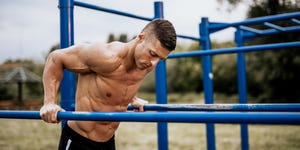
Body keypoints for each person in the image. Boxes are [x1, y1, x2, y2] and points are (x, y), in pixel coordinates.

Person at [40, 19, 177, 150]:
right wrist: (49, 102)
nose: (154, 63)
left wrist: (133, 99)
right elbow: (56, 58)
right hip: (80, 140)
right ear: (141, 37)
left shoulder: (145, 63)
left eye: (160, 59)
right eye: (153, 54)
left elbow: (122, 82)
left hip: (108, 142)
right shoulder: (106, 56)